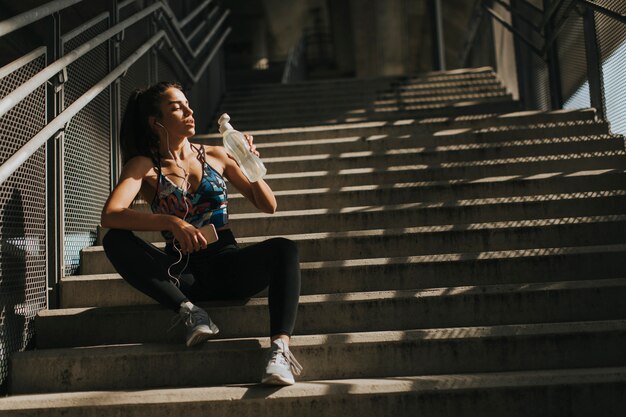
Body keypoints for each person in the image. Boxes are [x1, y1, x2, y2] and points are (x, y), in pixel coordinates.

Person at [100, 81, 302, 386]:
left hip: (227, 266)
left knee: (285, 249)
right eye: (176, 107)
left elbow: (268, 205)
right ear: (156, 122)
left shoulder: (217, 155)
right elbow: (111, 215)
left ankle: (279, 352)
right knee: (114, 240)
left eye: (187, 104)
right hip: (181, 274)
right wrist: (173, 223)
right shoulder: (144, 166)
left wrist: (249, 163)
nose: (189, 110)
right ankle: (189, 312)